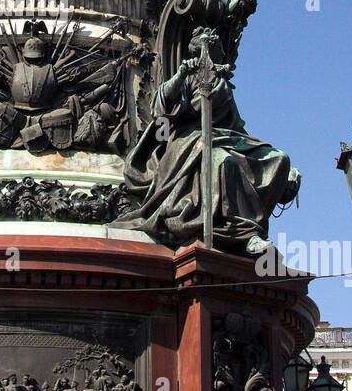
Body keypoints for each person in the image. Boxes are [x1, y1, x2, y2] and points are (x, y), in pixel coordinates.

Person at [115, 27, 299, 253]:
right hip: (189, 139)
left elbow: (236, 125)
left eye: (215, 53)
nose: (211, 58)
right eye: (208, 52)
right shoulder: (189, 76)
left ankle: (255, 223)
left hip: (224, 137)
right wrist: (181, 73)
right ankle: (243, 232)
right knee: (224, 162)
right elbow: (159, 106)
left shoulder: (222, 84)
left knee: (279, 158)